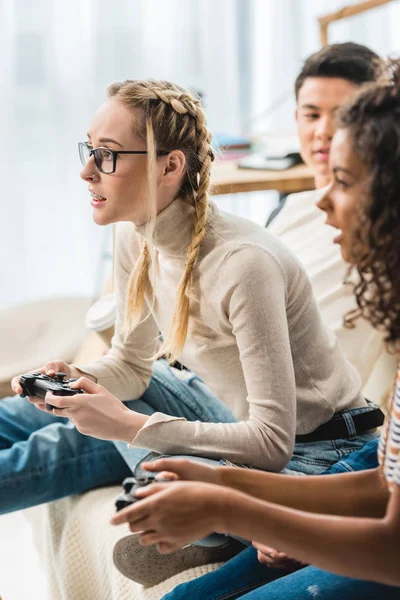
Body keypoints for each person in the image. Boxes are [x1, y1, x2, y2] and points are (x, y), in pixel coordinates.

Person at [2, 79, 378, 584]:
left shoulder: (245, 265)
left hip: (320, 449)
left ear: (170, 166)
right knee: (62, 404)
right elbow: (132, 369)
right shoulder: (135, 234)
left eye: (108, 155)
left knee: (129, 449)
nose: (86, 171)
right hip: (227, 414)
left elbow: (273, 443)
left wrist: (127, 426)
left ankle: (212, 531)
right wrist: (80, 376)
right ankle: (207, 531)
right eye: (89, 150)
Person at [111, 59, 400, 599]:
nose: (321, 199)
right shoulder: (142, 241)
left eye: (342, 181)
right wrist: (224, 482)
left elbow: (391, 545)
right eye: (308, 114)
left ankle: (225, 530)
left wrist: (235, 504)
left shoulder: (246, 259)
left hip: (333, 442)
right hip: (365, 458)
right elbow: (387, 484)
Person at [268, 42, 395, 393]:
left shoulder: (377, 240)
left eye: (341, 116)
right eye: (311, 114)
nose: (323, 131)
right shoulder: (291, 210)